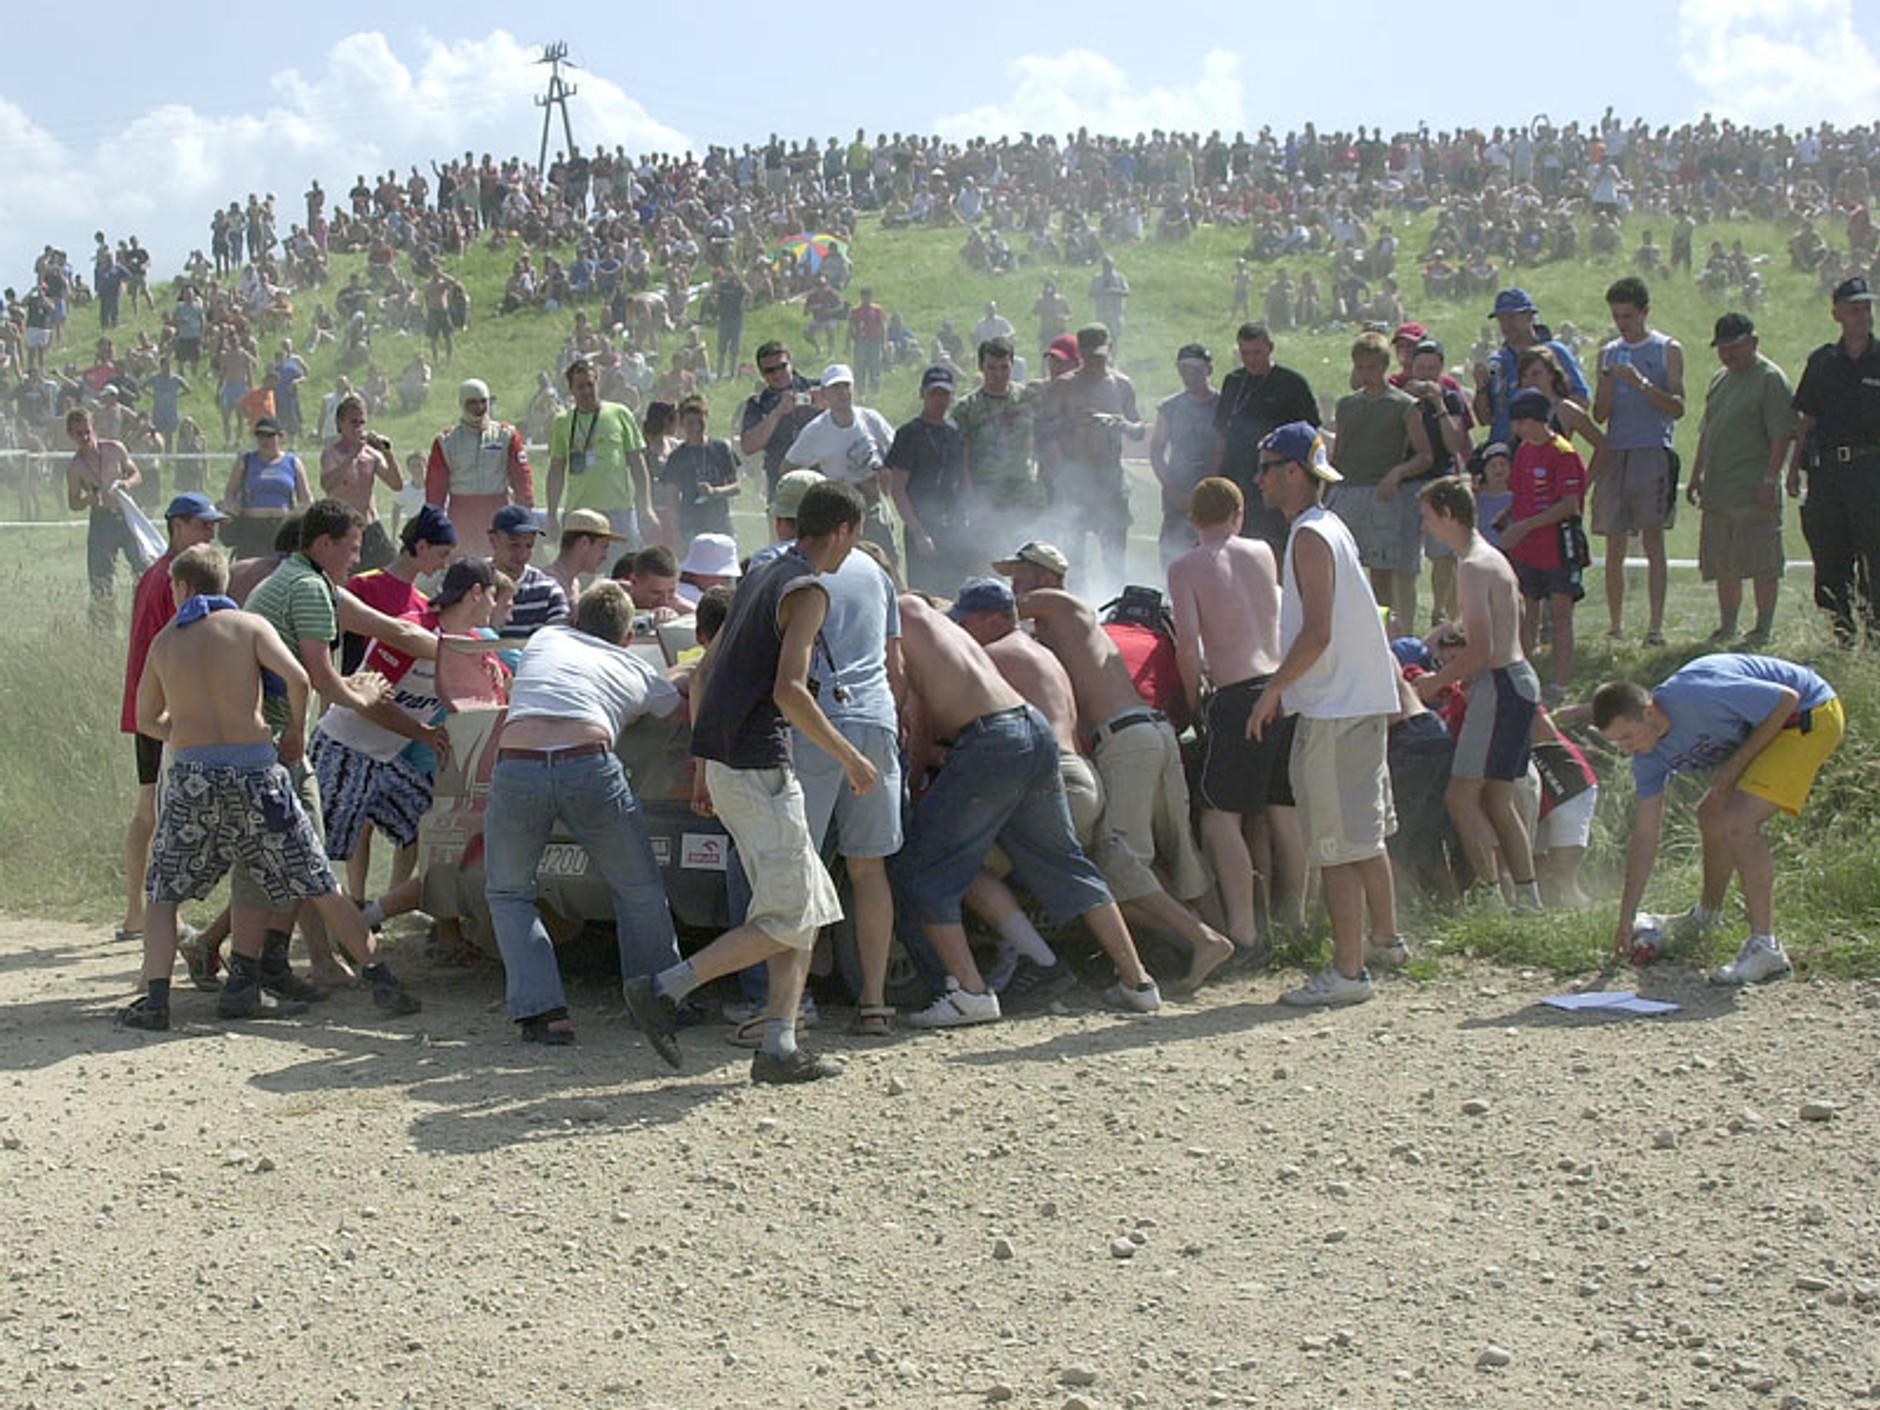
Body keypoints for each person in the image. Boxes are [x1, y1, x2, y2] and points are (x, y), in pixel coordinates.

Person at [622, 482, 878, 1085]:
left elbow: (707, 670)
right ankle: (663, 989)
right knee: (791, 910)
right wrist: (847, 756)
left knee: (807, 905)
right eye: (856, 537)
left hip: (737, 764)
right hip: (760, 765)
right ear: (841, 530)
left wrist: (706, 762)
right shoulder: (809, 589)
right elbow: (789, 690)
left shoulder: (762, 573)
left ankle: (780, 1045)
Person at [116, 543, 420, 1030]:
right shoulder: (249, 627)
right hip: (257, 773)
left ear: (180, 587)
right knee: (316, 878)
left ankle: (155, 1000)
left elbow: (146, 717)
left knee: (164, 889)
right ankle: (380, 977)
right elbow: (298, 677)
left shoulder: (165, 642)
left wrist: (185, 734)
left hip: (194, 777)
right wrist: (295, 730)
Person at [895, 591, 1161, 1025]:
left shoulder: (896, 617)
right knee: (1066, 864)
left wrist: (908, 779)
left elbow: (918, 723)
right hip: (1030, 729)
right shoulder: (936, 621)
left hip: (988, 740)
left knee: (926, 869)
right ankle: (1139, 982)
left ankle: (969, 992)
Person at [1000, 540, 1234, 992]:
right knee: (1181, 852)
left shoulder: (1057, 604)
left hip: (1124, 741)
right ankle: (1225, 945)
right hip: (1148, 732)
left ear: (1047, 578)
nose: (1014, 584)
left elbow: (992, 611)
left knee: (1115, 860)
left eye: (1021, 574)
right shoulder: (1067, 626)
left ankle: (1203, 940)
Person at [1246, 423, 1404, 1006]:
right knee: (1366, 835)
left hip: (1335, 707)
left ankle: (1348, 972)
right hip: (1358, 699)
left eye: (1267, 466)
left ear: (1293, 471)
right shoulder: (1329, 526)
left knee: (1335, 846)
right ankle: (1385, 942)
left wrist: (1272, 691)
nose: (1259, 477)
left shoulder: (1308, 536)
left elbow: (1316, 632)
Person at [485, 580, 684, 1044]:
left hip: (518, 763)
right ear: (627, 637)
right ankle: (660, 997)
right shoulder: (633, 667)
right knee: (637, 888)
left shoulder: (545, 638)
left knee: (511, 893)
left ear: (575, 620)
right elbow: (675, 708)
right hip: (588, 762)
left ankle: (544, 1013)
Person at [1593, 655, 1845, 985]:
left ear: (1650, 712)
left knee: (1738, 821)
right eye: (1617, 743)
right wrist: (1625, 918)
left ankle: (1765, 947)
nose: (1627, 748)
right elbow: (1645, 836)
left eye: (1628, 736)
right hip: (1777, 724)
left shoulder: (1695, 694)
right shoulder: (1647, 758)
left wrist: (1734, 766)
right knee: (1710, 814)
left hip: (1810, 713)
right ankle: (1707, 917)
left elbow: (1786, 700)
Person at [1166, 478, 1297, 960]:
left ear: (1193, 518)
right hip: (1280, 687)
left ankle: (1243, 931)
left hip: (1237, 694)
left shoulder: (1186, 566)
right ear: (1238, 513)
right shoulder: (1263, 551)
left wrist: (1192, 695)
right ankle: (1295, 918)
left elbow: (1187, 643)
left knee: (1221, 816)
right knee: (1280, 809)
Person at [1413, 477, 1543, 911]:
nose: (1427, 527)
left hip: (1500, 683)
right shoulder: (1495, 559)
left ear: (1449, 515)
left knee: (1461, 796)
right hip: (1519, 680)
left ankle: (1489, 895)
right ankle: (1526, 896)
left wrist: (1432, 684)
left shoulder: (1471, 566)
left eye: (1429, 517)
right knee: (1498, 797)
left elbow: (1482, 649)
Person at [118, 492, 227, 951]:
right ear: (177, 526)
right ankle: (149, 915)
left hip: (153, 706)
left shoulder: (165, 575)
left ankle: (138, 913)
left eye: (213, 525)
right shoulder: (170, 579)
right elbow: (171, 644)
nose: (211, 532)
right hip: (161, 708)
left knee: (151, 808)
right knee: (158, 811)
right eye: (202, 525)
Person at [1687, 314, 1796, 647]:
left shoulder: (1770, 379)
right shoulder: (1720, 379)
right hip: (1719, 489)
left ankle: (1762, 628)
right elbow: (1707, 430)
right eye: (1722, 348)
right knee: (1723, 562)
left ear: (1753, 342)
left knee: (1763, 563)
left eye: (1735, 347)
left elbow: (1781, 434)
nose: (1728, 355)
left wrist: (1770, 478)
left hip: (1753, 488)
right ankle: (1728, 625)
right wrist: (1696, 474)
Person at [1591, 277, 1686, 645]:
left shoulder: (1667, 349)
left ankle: (1655, 626)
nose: (1622, 323)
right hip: (1617, 452)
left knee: (1652, 539)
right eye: (1616, 316)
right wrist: (1610, 386)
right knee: (1613, 542)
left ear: (1644, 312)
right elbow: (1600, 414)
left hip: (1652, 450)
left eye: (1628, 316)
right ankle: (1615, 625)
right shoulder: (1608, 351)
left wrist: (1642, 384)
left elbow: (1678, 408)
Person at [1790, 275, 1880, 647]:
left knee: (1874, 555)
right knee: (1829, 553)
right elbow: (1807, 417)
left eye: (1867, 308)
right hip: (1828, 472)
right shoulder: (1823, 362)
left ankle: (1875, 640)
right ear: (1837, 314)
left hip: (1872, 471)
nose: (1863, 315)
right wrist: (1793, 466)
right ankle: (1841, 634)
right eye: (1854, 308)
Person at [1328, 331, 1433, 635]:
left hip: (1382, 493)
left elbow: (1425, 455)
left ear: (1384, 367)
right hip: (1347, 490)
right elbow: (1340, 451)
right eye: (1360, 367)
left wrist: (1397, 473)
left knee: (1381, 575)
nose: (1366, 374)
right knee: (1342, 568)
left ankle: (1381, 634)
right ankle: (1346, 632)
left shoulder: (1404, 405)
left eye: (1372, 367)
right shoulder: (1347, 404)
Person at [1038, 325, 1143, 584]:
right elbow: (1042, 431)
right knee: (1074, 556)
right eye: (1089, 357)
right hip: (1076, 476)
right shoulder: (1064, 386)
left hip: (1111, 476)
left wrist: (1122, 423)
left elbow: (1139, 429)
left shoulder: (1121, 384)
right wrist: (1073, 424)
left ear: (1110, 350)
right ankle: (1076, 604)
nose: (1095, 363)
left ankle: (1117, 603)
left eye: (1100, 357)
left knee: (1115, 553)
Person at [1502, 388, 1587, 705]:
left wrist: (1525, 526)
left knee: (1561, 612)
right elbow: (1520, 495)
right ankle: (1526, 676)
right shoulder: (1523, 450)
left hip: (1557, 546)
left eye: (1522, 422)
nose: (1518, 429)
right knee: (1528, 609)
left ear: (1537, 420)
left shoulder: (1563, 452)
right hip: (1527, 548)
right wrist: (1507, 519)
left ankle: (1561, 683)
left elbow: (1569, 505)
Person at [1212, 322, 1319, 554]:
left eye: (1257, 352)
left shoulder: (1292, 384)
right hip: (1237, 477)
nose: (1251, 359)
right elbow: (1221, 434)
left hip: (1276, 482)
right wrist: (1216, 476)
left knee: (1273, 546)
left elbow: (1310, 437)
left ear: (1270, 348)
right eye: (1245, 353)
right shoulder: (1233, 382)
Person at [782, 363, 897, 564]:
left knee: (887, 560)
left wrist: (886, 469)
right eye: (836, 388)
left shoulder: (870, 419)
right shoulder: (816, 431)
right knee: (848, 562)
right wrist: (823, 488)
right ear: (825, 394)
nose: (843, 392)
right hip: (843, 510)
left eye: (846, 386)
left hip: (874, 504)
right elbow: (787, 467)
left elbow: (895, 449)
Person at [546, 357, 656, 546]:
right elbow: (556, 471)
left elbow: (638, 465)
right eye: (580, 386)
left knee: (622, 570)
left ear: (598, 382)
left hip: (618, 512)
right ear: (571, 389)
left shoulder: (620, 414)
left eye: (590, 384)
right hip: (578, 512)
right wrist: (551, 514)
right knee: (580, 574)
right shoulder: (562, 421)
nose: (586, 391)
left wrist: (645, 507)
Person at [885, 365, 974, 594]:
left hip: (954, 526)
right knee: (924, 594)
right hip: (923, 525)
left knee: (955, 591)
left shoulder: (957, 432)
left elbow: (964, 478)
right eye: (934, 393)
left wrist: (970, 517)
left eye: (945, 394)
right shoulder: (909, 434)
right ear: (922, 394)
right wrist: (918, 532)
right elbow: (898, 489)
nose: (939, 399)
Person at [425, 379, 532, 559]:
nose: (479, 407)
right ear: (462, 403)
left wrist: (525, 514)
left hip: (498, 510)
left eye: (483, 401)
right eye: (472, 402)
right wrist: (434, 523)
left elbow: (522, 479)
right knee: (462, 565)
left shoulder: (506, 435)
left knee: (501, 563)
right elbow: (435, 489)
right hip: (461, 514)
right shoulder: (446, 441)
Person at [1473, 288, 1589, 445]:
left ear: (1529, 316)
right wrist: (1481, 389)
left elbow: (1582, 400)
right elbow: (1485, 419)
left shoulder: (1555, 352)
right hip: (1503, 451)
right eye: (1502, 319)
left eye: (1512, 317)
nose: (1507, 324)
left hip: (1545, 447)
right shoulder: (1496, 361)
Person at [65, 405, 143, 626]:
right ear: (71, 436)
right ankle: (104, 627)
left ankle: (143, 618)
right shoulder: (75, 467)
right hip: (101, 520)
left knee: (142, 568)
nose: (85, 437)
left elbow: (136, 473)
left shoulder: (115, 448)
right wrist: (89, 499)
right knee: (101, 578)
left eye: (87, 431)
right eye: (79, 434)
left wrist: (126, 484)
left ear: (93, 427)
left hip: (125, 514)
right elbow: (73, 502)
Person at [1149, 344, 1222, 568]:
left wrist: (1213, 486)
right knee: (1173, 558)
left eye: (1196, 370)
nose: (1190, 376)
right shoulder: (1170, 408)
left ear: (1209, 370)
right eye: (1185, 370)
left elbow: (1223, 448)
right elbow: (1156, 451)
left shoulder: (1222, 405)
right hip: (1178, 492)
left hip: (1212, 492)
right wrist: (1173, 492)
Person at [954, 336, 1043, 520]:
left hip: (1025, 491)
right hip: (987, 494)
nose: (998, 374)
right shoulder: (967, 407)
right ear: (981, 367)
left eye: (1004, 367)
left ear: (1012, 365)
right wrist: (968, 492)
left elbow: (1045, 437)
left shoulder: (1029, 398)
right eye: (991, 368)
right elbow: (961, 454)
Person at [320, 395, 403, 571]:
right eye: (353, 422)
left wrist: (387, 453)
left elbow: (396, 484)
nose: (358, 428)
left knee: (393, 571)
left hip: (371, 527)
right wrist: (351, 455)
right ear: (340, 423)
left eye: (361, 423)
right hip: (344, 528)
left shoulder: (371, 455)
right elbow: (327, 484)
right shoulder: (331, 454)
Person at [222, 416, 313, 561]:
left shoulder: (292, 462)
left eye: (269, 435)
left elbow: (306, 498)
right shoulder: (246, 461)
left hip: (282, 528)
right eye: (260, 435)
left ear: (280, 436)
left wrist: (304, 522)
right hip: (253, 528)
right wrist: (232, 508)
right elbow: (230, 493)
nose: (264, 440)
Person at [738, 340, 819, 497]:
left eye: (782, 367)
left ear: (791, 363)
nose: (777, 374)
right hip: (781, 482)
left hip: (819, 476)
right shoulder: (758, 404)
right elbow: (748, 446)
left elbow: (849, 408)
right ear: (762, 374)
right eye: (770, 370)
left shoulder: (817, 388)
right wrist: (776, 413)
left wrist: (825, 403)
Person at [657, 394, 741, 543]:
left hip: (720, 523)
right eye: (690, 423)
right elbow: (672, 499)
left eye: (700, 422)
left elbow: (736, 487)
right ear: (681, 424)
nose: (696, 427)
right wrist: (675, 534)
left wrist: (715, 491)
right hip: (691, 524)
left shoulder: (721, 448)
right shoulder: (677, 457)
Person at [488, 504, 569, 643]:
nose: (523, 554)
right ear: (493, 540)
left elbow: (557, 645)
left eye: (529, 545)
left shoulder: (548, 591)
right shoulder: (469, 579)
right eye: (514, 545)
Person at [544, 507, 626, 604]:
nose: (605, 556)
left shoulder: (573, 583)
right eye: (603, 547)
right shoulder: (547, 584)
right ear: (584, 543)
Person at [1089, 256, 1130, 353]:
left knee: (1114, 337)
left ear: (1113, 265)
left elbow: (1126, 292)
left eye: (1109, 265)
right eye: (1105, 265)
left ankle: (1114, 358)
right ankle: (1103, 356)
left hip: (1115, 312)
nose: (1107, 267)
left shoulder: (1119, 277)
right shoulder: (1097, 278)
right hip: (1101, 312)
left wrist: (1114, 291)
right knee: (1100, 336)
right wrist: (1100, 291)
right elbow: (1091, 293)